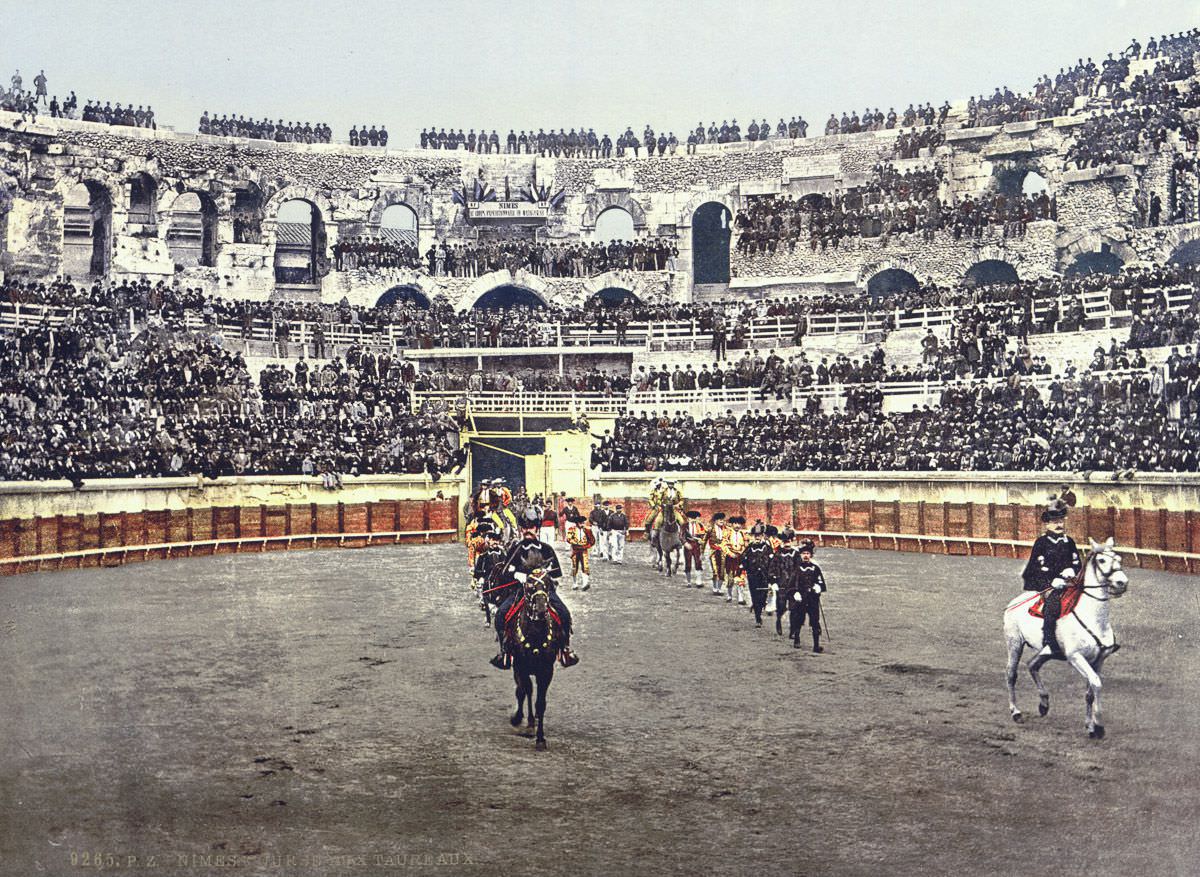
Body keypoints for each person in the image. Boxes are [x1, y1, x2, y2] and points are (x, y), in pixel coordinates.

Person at [492, 509, 578, 668]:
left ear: (537, 529)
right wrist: (517, 575)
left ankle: (565, 649)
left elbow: (556, 573)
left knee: (564, 613)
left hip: (544, 591)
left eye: (531, 527)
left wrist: (544, 577)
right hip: (520, 592)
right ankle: (504, 651)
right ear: (520, 529)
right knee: (501, 614)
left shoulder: (547, 549)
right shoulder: (515, 549)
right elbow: (504, 574)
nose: (527, 531)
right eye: (524, 527)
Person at [1021, 495, 1082, 658]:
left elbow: (1077, 563)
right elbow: (1035, 568)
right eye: (1055, 522)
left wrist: (1072, 570)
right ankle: (1049, 643)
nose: (1059, 525)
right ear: (1047, 524)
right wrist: (1051, 581)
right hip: (1046, 584)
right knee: (1053, 604)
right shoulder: (1041, 543)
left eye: (1061, 521)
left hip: (1069, 583)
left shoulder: (1069, 542)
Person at [793, 540, 827, 652]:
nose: (806, 556)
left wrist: (819, 587)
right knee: (798, 619)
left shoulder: (815, 568)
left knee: (815, 621)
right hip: (801, 598)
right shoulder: (796, 569)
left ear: (811, 555)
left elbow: (821, 582)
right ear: (800, 555)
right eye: (803, 554)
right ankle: (796, 639)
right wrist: (795, 592)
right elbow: (791, 584)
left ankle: (816, 645)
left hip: (812, 598)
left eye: (808, 554)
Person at [769, 527, 802, 637]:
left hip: (793, 586)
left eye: (789, 541)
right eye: (785, 541)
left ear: (792, 541)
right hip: (781, 585)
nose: (787, 543)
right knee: (781, 606)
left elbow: (800, 570)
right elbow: (772, 569)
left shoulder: (796, 555)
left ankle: (793, 630)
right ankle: (778, 620)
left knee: (794, 608)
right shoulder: (777, 555)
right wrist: (773, 582)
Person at [741, 521, 775, 627]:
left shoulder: (767, 547)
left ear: (762, 536)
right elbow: (743, 559)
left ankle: (759, 606)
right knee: (755, 596)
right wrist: (746, 568)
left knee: (763, 595)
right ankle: (758, 617)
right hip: (753, 576)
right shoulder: (749, 547)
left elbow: (772, 561)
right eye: (756, 535)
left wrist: (771, 574)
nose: (757, 537)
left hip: (764, 576)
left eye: (759, 535)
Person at [722, 515, 749, 605]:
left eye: (739, 524)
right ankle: (729, 595)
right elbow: (724, 545)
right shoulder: (727, 533)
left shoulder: (743, 534)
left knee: (741, 577)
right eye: (735, 523)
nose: (737, 526)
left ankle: (740, 598)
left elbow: (746, 546)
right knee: (730, 578)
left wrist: (743, 554)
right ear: (732, 524)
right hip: (730, 558)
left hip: (740, 558)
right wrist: (730, 553)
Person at [565, 512, 595, 591]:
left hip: (584, 550)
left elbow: (592, 540)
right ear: (577, 523)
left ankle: (585, 584)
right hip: (575, 550)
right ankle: (575, 583)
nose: (582, 524)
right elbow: (568, 539)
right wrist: (576, 543)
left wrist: (586, 546)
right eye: (581, 523)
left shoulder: (587, 530)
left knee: (585, 566)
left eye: (583, 523)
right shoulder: (571, 529)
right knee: (574, 567)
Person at [682, 509, 707, 587]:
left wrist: (701, 540)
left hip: (697, 546)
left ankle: (698, 581)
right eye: (690, 518)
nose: (692, 520)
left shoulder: (700, 526)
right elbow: (681, 536)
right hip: (688, 545)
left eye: (694, 518)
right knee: (688, 563)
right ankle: (688, 581)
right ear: (688, 518)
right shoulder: (684, 525)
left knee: (698, 562)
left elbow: (704, 535)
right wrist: (685, 543)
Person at [706, 511, 728, 594]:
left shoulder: (727, 530)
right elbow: (704, 541)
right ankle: (714, 587)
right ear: (715, 521)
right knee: (715, 571)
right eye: (720, 520)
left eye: (723, 520)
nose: (722, 521)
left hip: (723, 552)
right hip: (713, 552)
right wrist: (701, 552)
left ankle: (719, 588)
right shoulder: (710, 529)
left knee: (722, 571)